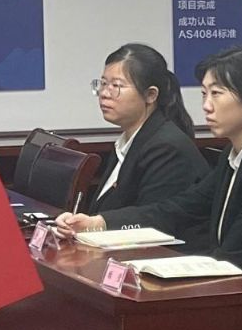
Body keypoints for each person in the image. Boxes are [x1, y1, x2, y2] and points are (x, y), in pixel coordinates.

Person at [57, 45, 242, 300]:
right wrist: (97, 222)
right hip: (237, 287)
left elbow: (237, 256)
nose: (206, 105)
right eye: (204, 94)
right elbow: (178, 209)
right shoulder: (236, 155)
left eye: (216, 94)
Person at [83, 42, 207, 217]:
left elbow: (151, 221)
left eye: (116, 86)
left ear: (150, 95)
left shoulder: (166, 149)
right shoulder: (127, 142)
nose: (104, 93)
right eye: (103, 83)